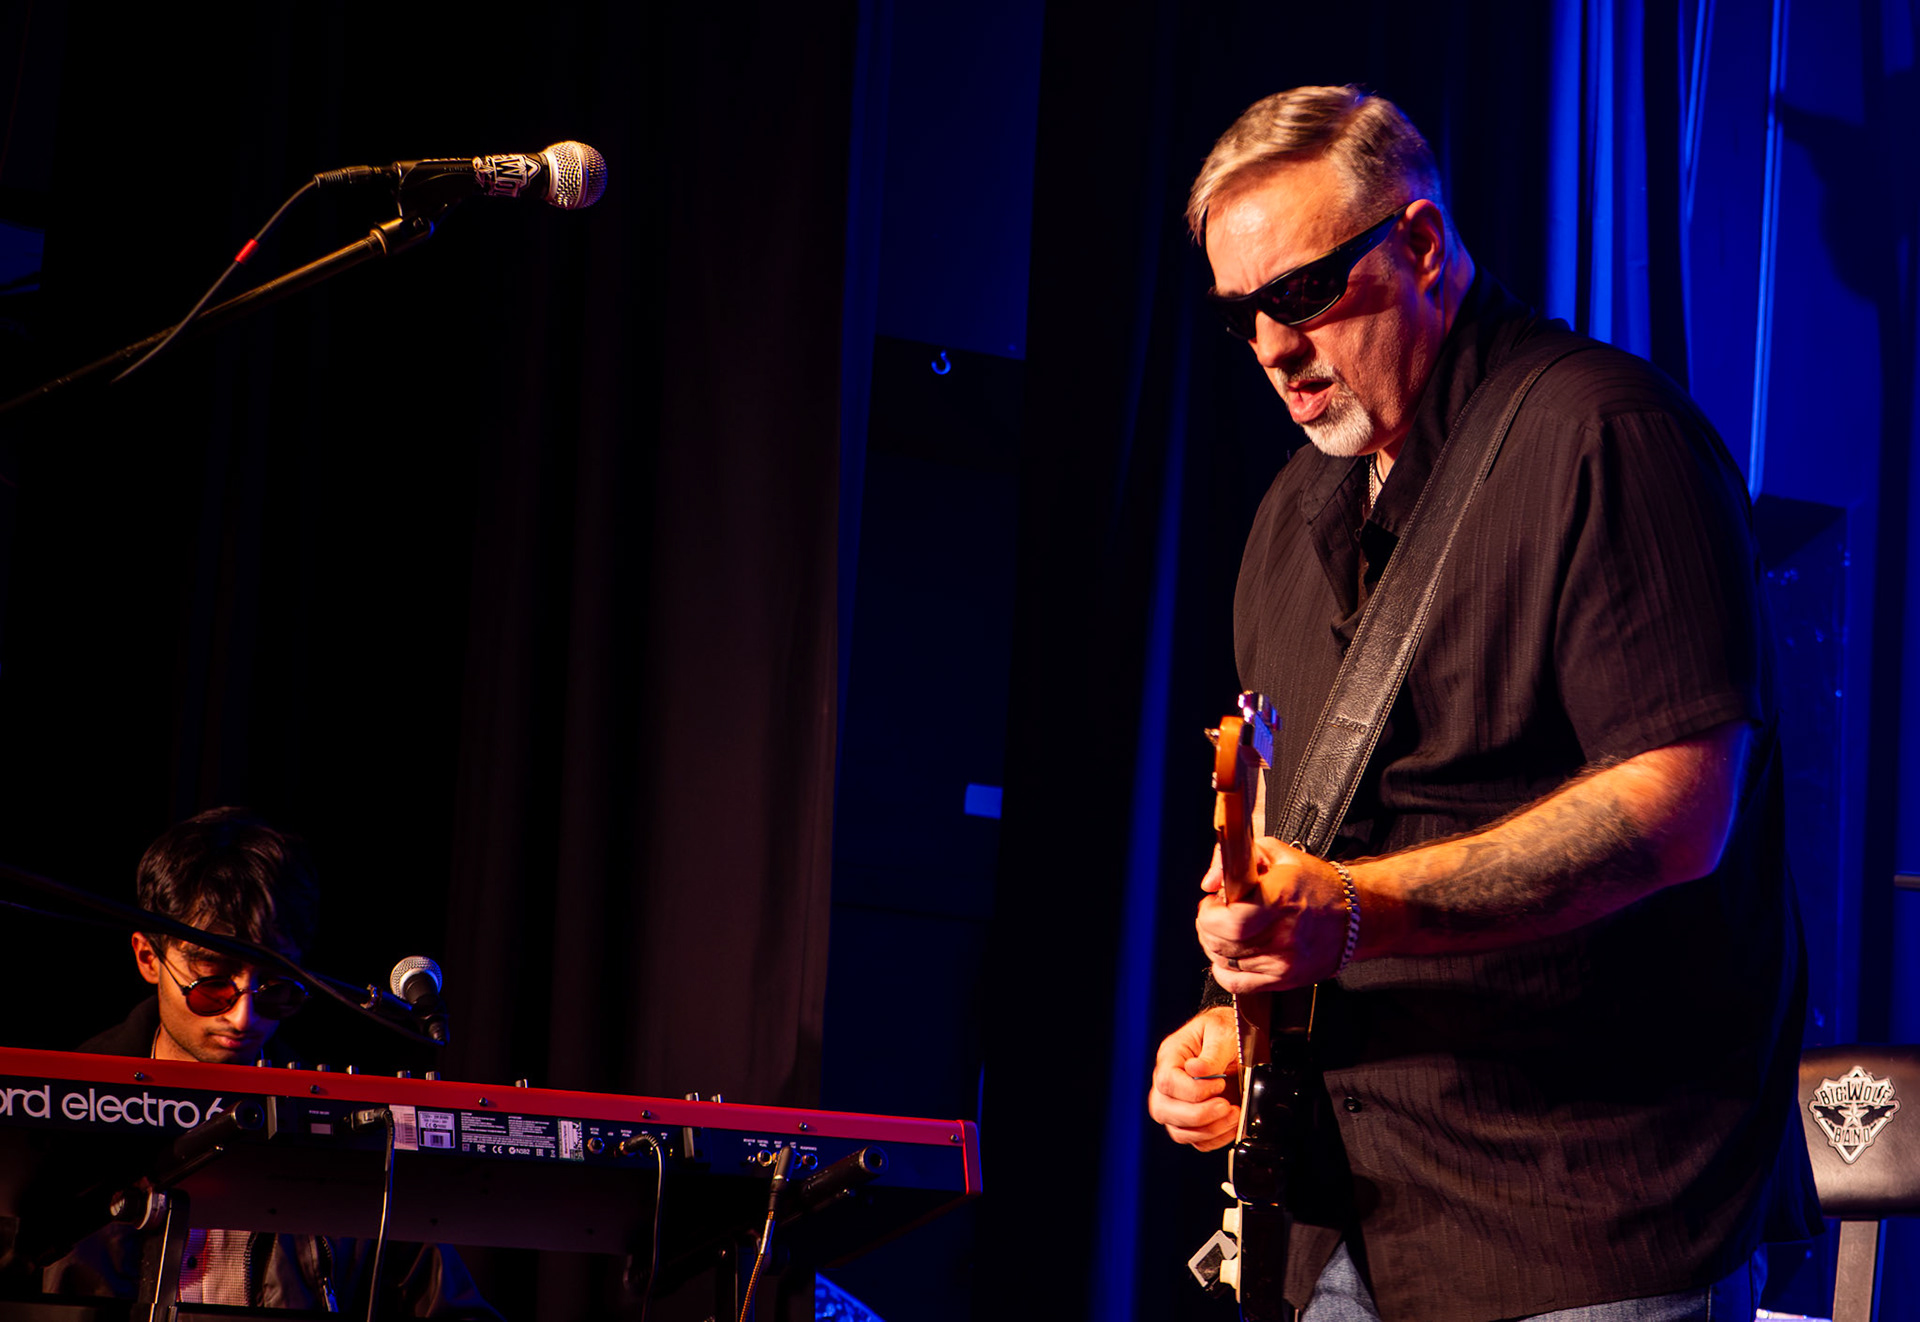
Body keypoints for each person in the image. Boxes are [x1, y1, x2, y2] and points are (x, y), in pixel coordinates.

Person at [1146, 87, 1820, 1322]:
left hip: (1580, 1223)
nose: (1274, 348)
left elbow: (1677, 810)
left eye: (1304, 292)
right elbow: (1303, 838)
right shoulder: (1289, 516)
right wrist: (1234, 1013)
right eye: (1242, 314)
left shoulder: (1609, 437)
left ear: (1418, 243)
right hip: (1343, 1223)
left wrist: (1355, 913)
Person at [44, 806, 499, 1318]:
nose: (244, 1017)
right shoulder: (56, 1112)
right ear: (149, 957)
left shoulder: (343, 1132)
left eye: (274, 987)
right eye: (213, 981)